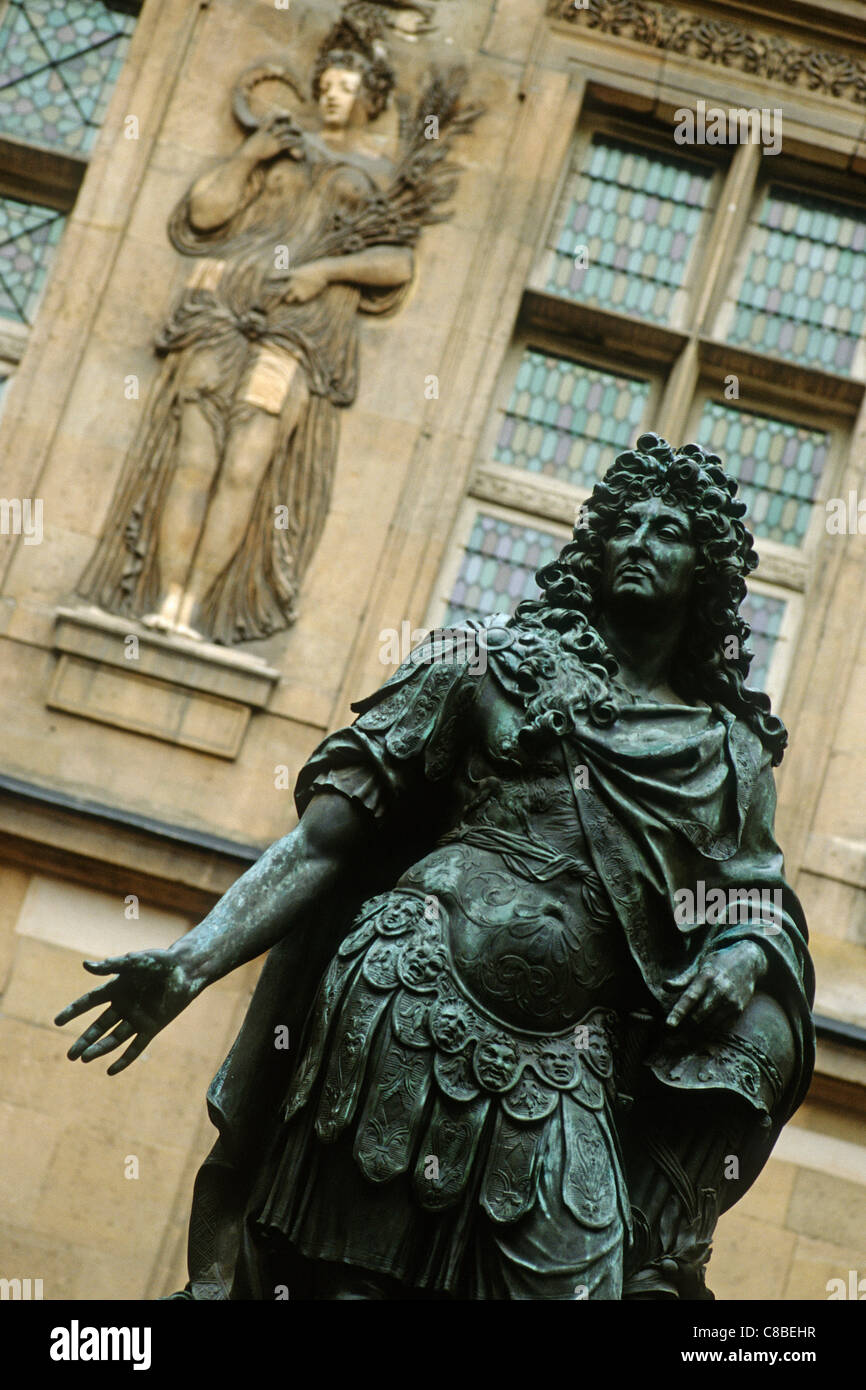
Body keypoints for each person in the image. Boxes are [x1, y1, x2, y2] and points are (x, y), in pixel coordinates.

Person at [57, 434, 815, 1300]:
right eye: (626, 524)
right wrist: (190, 961)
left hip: (570, 1060)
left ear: (707, 569)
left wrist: (743, 952)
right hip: (409, 997)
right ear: (597, 547)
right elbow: (325, 841)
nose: (640, 540)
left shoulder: (728, 754)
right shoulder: (481, 659)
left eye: (670, 529)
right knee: (350, 1289)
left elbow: (754, 897)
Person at [77, 31, 413, 643]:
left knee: (245, 469)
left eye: (348, 87)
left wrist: (324, 272)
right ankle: (168, 598)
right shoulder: (277, 146)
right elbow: (205, 214)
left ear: (372, 98)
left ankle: (198, 606)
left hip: (296, 335)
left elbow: (397, 265)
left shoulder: (379, 178)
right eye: (326, 86)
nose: (333, 96)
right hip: (221, 313)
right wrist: (248, 156)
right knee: (194, 460)